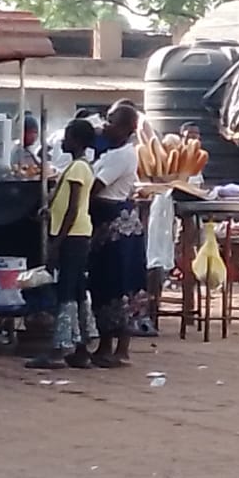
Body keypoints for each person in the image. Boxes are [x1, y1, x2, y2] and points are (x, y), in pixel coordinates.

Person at [26, 119, 98, 370]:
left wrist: (57, 242)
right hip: (78, 235)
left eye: (67, 137)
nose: (63, 141)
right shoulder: (79, 166)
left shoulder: (78, 168)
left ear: (76, 140)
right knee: (77, 291)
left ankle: (59, 350)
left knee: (66, 292)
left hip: (73, 236)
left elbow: (73, 209)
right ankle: (81, 350)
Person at [88, 102, 148, 366]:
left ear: (125, 127)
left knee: (121, 285)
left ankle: (121, 348)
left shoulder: (124, 155)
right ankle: (104, 345)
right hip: (104, 226)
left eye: (111, 121)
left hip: (117, 226)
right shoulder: (108, 153)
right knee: (103, 285)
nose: (105, 125)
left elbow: (94, 187)